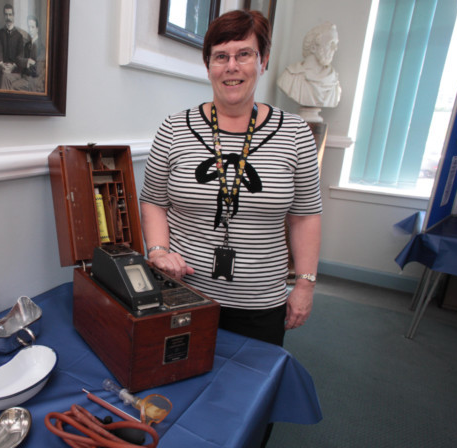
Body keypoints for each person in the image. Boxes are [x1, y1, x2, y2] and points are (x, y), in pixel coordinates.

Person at [140, 10, 322, 444]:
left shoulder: (295, 134)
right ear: (207, 65)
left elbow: (305, 215)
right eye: (221, 56)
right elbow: (153, 201)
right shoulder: (174, 129)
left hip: (260, 303)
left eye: (244, 54)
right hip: (184, 295)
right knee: (178, 395)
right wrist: (157, 250)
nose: (232, 66)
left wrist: (306, 283)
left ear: (263, 60)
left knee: (249, 403)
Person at [277, 22, 341, 107]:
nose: (335, 48)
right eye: (331, 43)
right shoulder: (290, 76)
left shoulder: (334, 83)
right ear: (314, 46)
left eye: (336, 44)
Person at [0, 3, 24, 90]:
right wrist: (1, 64)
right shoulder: (0, 33)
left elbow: (20, 55)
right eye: (6, 15)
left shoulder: (19, 36)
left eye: (10, 14)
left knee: (5, 78)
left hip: (15, 69)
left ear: (14, 16)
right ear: (4, 16)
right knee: (2, 76)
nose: (8, 17)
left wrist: (13, 66)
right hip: (3, 67)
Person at [13, 15, 46, 92]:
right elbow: (17, 59)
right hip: (25, 76)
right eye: (28, 27)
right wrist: (28, 61)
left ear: (37, 29)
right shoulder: (27, 45)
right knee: (7, 78)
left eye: (32, 27)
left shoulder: (41, 48)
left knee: (14, 86)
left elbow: (37, 70)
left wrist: (25, 66)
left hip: (33, 80)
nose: (30, 30)